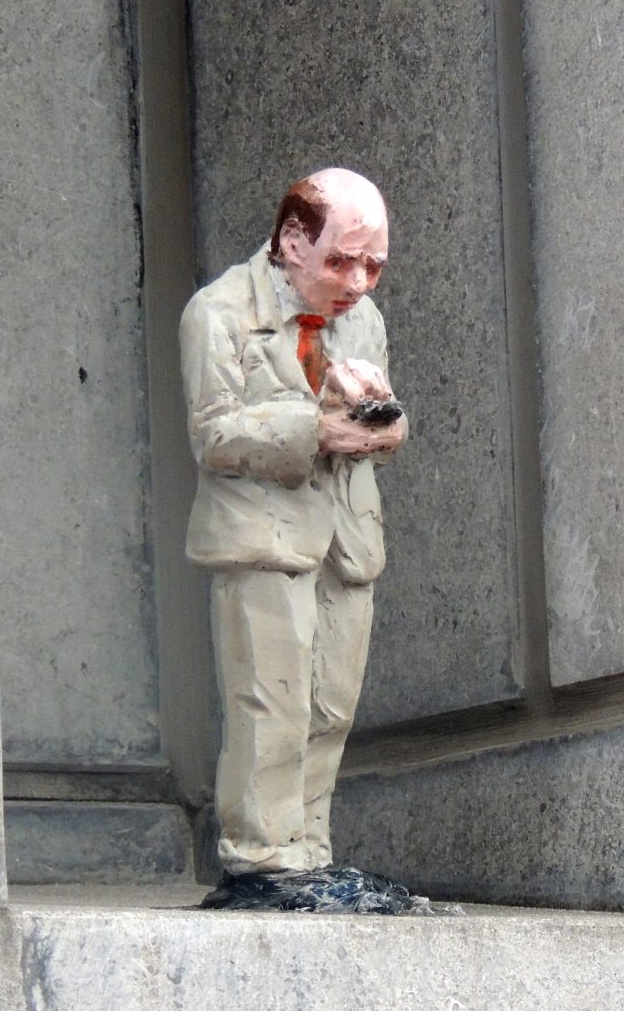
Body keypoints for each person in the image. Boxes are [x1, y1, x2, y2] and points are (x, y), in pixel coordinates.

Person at [179, 168, 407, 898]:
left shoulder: (362, 318)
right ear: (291, 240)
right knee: (270, 700)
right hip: (263, 535)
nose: (359, 281)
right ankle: (261, 854)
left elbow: (386, 417)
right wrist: (314, 427)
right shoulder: (217, 312)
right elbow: (213, 434)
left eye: (374, 264)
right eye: (342, 261)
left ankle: (308, 849)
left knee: (330, 703)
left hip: (345, 537)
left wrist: (380, 421)